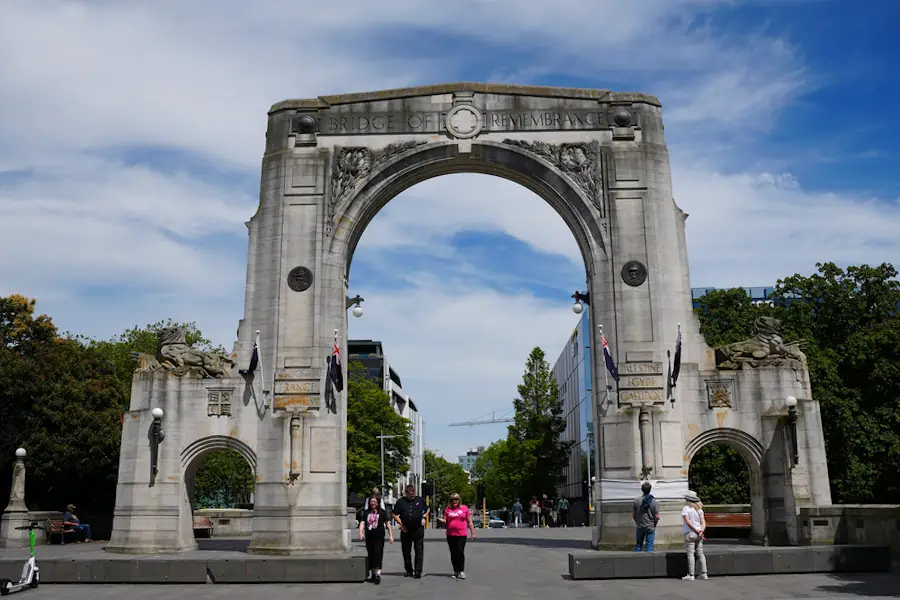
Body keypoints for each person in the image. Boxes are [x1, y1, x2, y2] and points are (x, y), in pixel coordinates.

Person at [393, 484, 429, 578]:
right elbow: (395, 514)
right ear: (406, 493)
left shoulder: (420, 500)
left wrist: (424, 517)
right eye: (410, 494)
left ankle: (418, 571)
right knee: (406, 551)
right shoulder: (401, 502)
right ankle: (409, 570)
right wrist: (401, 524)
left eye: (413, 493)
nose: (412, 495)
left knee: (419, 550)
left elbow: (427, 509)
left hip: (418, 528)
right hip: (406, 529)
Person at [437, 493, 476, 579]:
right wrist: (441, 520)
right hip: (450, 534)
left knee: (460, 551)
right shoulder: (447, 510)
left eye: (456, 499)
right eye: (453, 500)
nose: (455, 501)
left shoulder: (464, 509)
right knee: (453, 553)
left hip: (461, 534)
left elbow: (469, 522)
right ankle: (456, 571)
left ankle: (461, 570)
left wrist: (473, 532)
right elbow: (446, 521)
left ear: (459, 500)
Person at [359, 496, 393, 584]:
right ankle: (373, 574)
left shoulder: (382, 512)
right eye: (371, 502)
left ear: (377, 503)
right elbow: (362, 523)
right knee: (371, 554)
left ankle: (378, 574)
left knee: (378, 553)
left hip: (379, 536)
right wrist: (361, 533)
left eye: (374, 502)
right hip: (369, 536)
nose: (372, 503)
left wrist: (391, 536)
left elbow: (388, 524)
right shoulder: (366, 512)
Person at [682, 490, 708, 580]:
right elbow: (703, 522)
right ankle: (704, 573)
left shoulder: (686, 508)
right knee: (700, 553)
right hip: (699, 534)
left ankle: (691, 575)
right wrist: (701, 531)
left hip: (690, 533)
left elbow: (688, 522)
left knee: (690, 554)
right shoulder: (699, 509)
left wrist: (695, 530)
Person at [632, 481, 660, 552]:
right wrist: (655, 524)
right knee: (649, 546)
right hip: (650, 526)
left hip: (640, 526)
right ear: (650, 489)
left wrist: (638, 522)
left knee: (638, 545)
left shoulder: (636, 500)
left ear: (642, 490)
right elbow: (657, 516)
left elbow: (634, 515)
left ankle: (636, 561)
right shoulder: (654, 501)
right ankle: (649, 561)